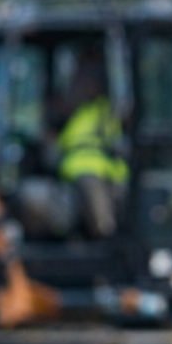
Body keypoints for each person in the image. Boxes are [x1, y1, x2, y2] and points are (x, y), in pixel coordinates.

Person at [55, 52, 127, 239]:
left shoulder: (102, 110)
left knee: (99, 194)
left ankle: (106, 233)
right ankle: (104, 233)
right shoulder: (81, 111)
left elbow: (115, 139)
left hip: (96, 168)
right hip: (81, 168)